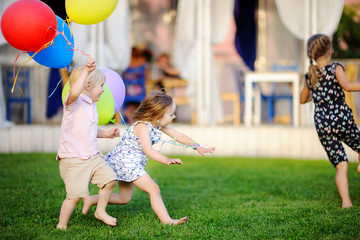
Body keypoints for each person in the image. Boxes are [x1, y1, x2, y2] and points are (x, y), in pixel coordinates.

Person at [82, 91, 216, 225]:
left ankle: (92, 200)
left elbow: (179, 136)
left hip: (130, 163)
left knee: (124, 198)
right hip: (126, 162)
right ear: (157, 116)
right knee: (154, 189)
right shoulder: (142, 127)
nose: (174, 116)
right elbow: (148, 150)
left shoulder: (157, 125)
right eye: (171, 114)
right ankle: (167, 221)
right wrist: (166, 160)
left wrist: (197, 146)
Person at [56, 58, 120, 230]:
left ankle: (100, 211)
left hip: (92, 156)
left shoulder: (91, 106)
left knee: (110, 180)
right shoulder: (73, 103)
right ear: (88, 85)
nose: (103, 90)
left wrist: (106, 134)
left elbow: (90, 129)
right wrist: (85, 71)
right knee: (74, 197)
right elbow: (75, 93)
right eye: (101, 86)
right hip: (74, 159)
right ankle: (62, 225)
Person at [300, 34, 360, 209]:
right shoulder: (335, 68)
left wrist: (319, 95)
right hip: (341, 118)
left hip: (323, 124)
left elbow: (303, 99)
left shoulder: (310, 75)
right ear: (329, 50)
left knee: (341, 165)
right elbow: (347, 86)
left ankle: (346, 202)